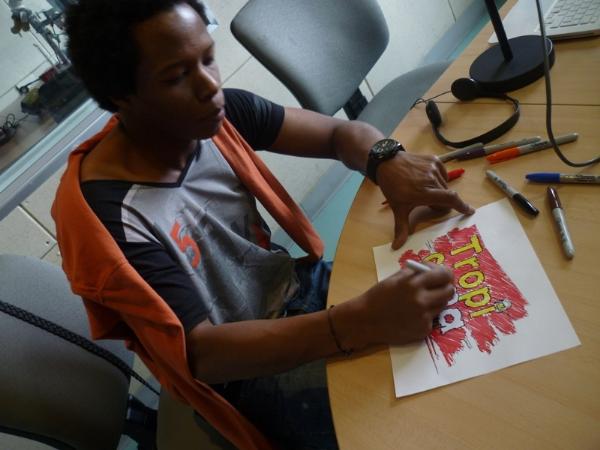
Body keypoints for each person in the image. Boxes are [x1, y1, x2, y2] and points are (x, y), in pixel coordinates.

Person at [53, 0, 474, 448]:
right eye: (176, 77)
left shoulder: (216, 115)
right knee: (419, 426)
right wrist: (360, 322)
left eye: (208, 58)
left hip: (297, 288)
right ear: (121, 95)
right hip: (248, 370)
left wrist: (386, 160)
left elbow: (337, 135)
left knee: (461, 325)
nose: (210, 86)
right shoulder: (113, 220)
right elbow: (205, 353)